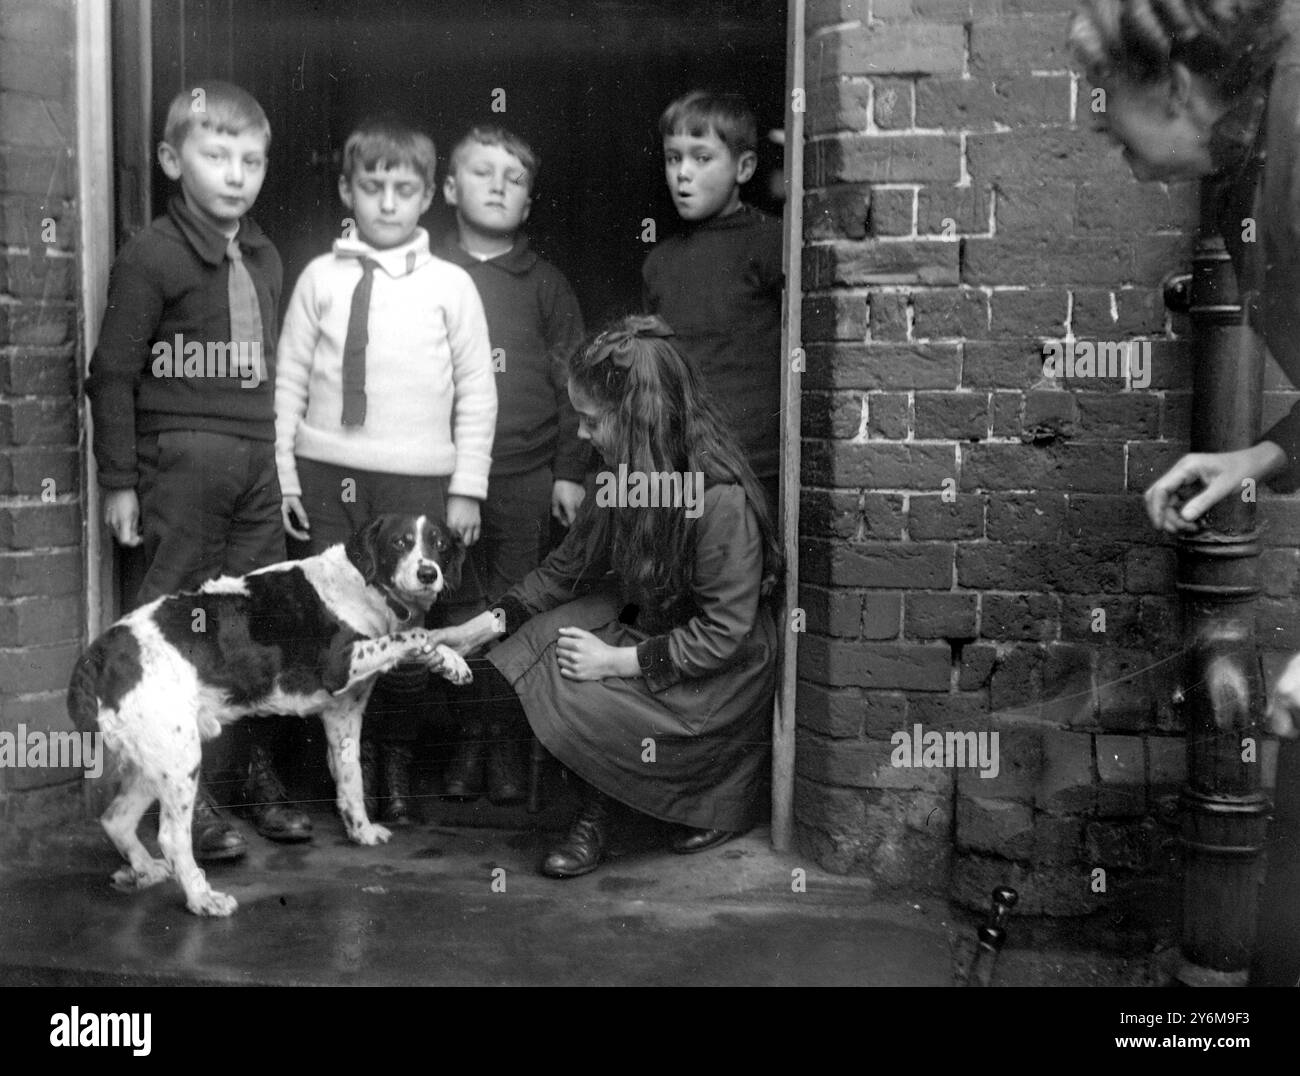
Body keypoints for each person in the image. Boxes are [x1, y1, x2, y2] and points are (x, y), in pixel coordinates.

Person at [429, 315, 783, 878]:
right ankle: (612, 797)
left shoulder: (719, 500)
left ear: (637, 418)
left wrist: (616, 661)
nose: (581, 435)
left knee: (583, 684)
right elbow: (566, 571)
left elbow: (723, 633)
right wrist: (477, 628)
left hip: (715, 670)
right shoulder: (622, 477)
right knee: (539, 642)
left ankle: (647, 808)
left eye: (592, 420)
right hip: (654, 625)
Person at [86, 80, 311, 862]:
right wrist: (119, 478)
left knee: (244, 626)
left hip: (254, 460)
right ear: (171, 159)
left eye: (252, 159)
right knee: (175, 627)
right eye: (217, 155)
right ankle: (186, 797)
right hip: (181, 460)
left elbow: (273, 372)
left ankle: (244, 777)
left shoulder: (265, 254)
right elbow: (111, 373)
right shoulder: (152, 254)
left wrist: (278, 469)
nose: (237, 173)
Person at [1069, 0, 1300, 740]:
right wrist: (1258, 457)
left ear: (1174, 87)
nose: (1111, 140)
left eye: (1114, 119)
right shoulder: (1242, 166)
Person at [274, 117, 497, 822]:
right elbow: (286, 383)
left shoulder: (452, 285)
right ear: (348, 190)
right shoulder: (319, 277)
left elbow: (477, 389)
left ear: (429, 194)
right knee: (327, 624)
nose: (389, 204)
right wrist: (283, 471)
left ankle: (393, 766)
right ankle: (335, 770)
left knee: (403, 632)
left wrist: (467, 485)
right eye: (373, 189)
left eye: (405, 189)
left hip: (415, 482)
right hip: (324, 470)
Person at [433, 125, 589, 804]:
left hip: (524, 471)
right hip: (444, 477)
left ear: (527, 205)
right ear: (447, 188)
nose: (497, 186)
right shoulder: (429, 273)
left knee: (510, 607)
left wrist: (566, 470)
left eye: (514, 178)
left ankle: (499, 742)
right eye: (481, 171)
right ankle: (461, 740)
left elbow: (573, 383)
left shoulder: (545, 284)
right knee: (452, 602)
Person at [643, 90, 784, 517]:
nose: (683, 174)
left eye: (702, 158)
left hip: (756, 463)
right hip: (681, 461)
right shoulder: (659, 261)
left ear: (743, 167)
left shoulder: (771, 242)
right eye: (673, 158)